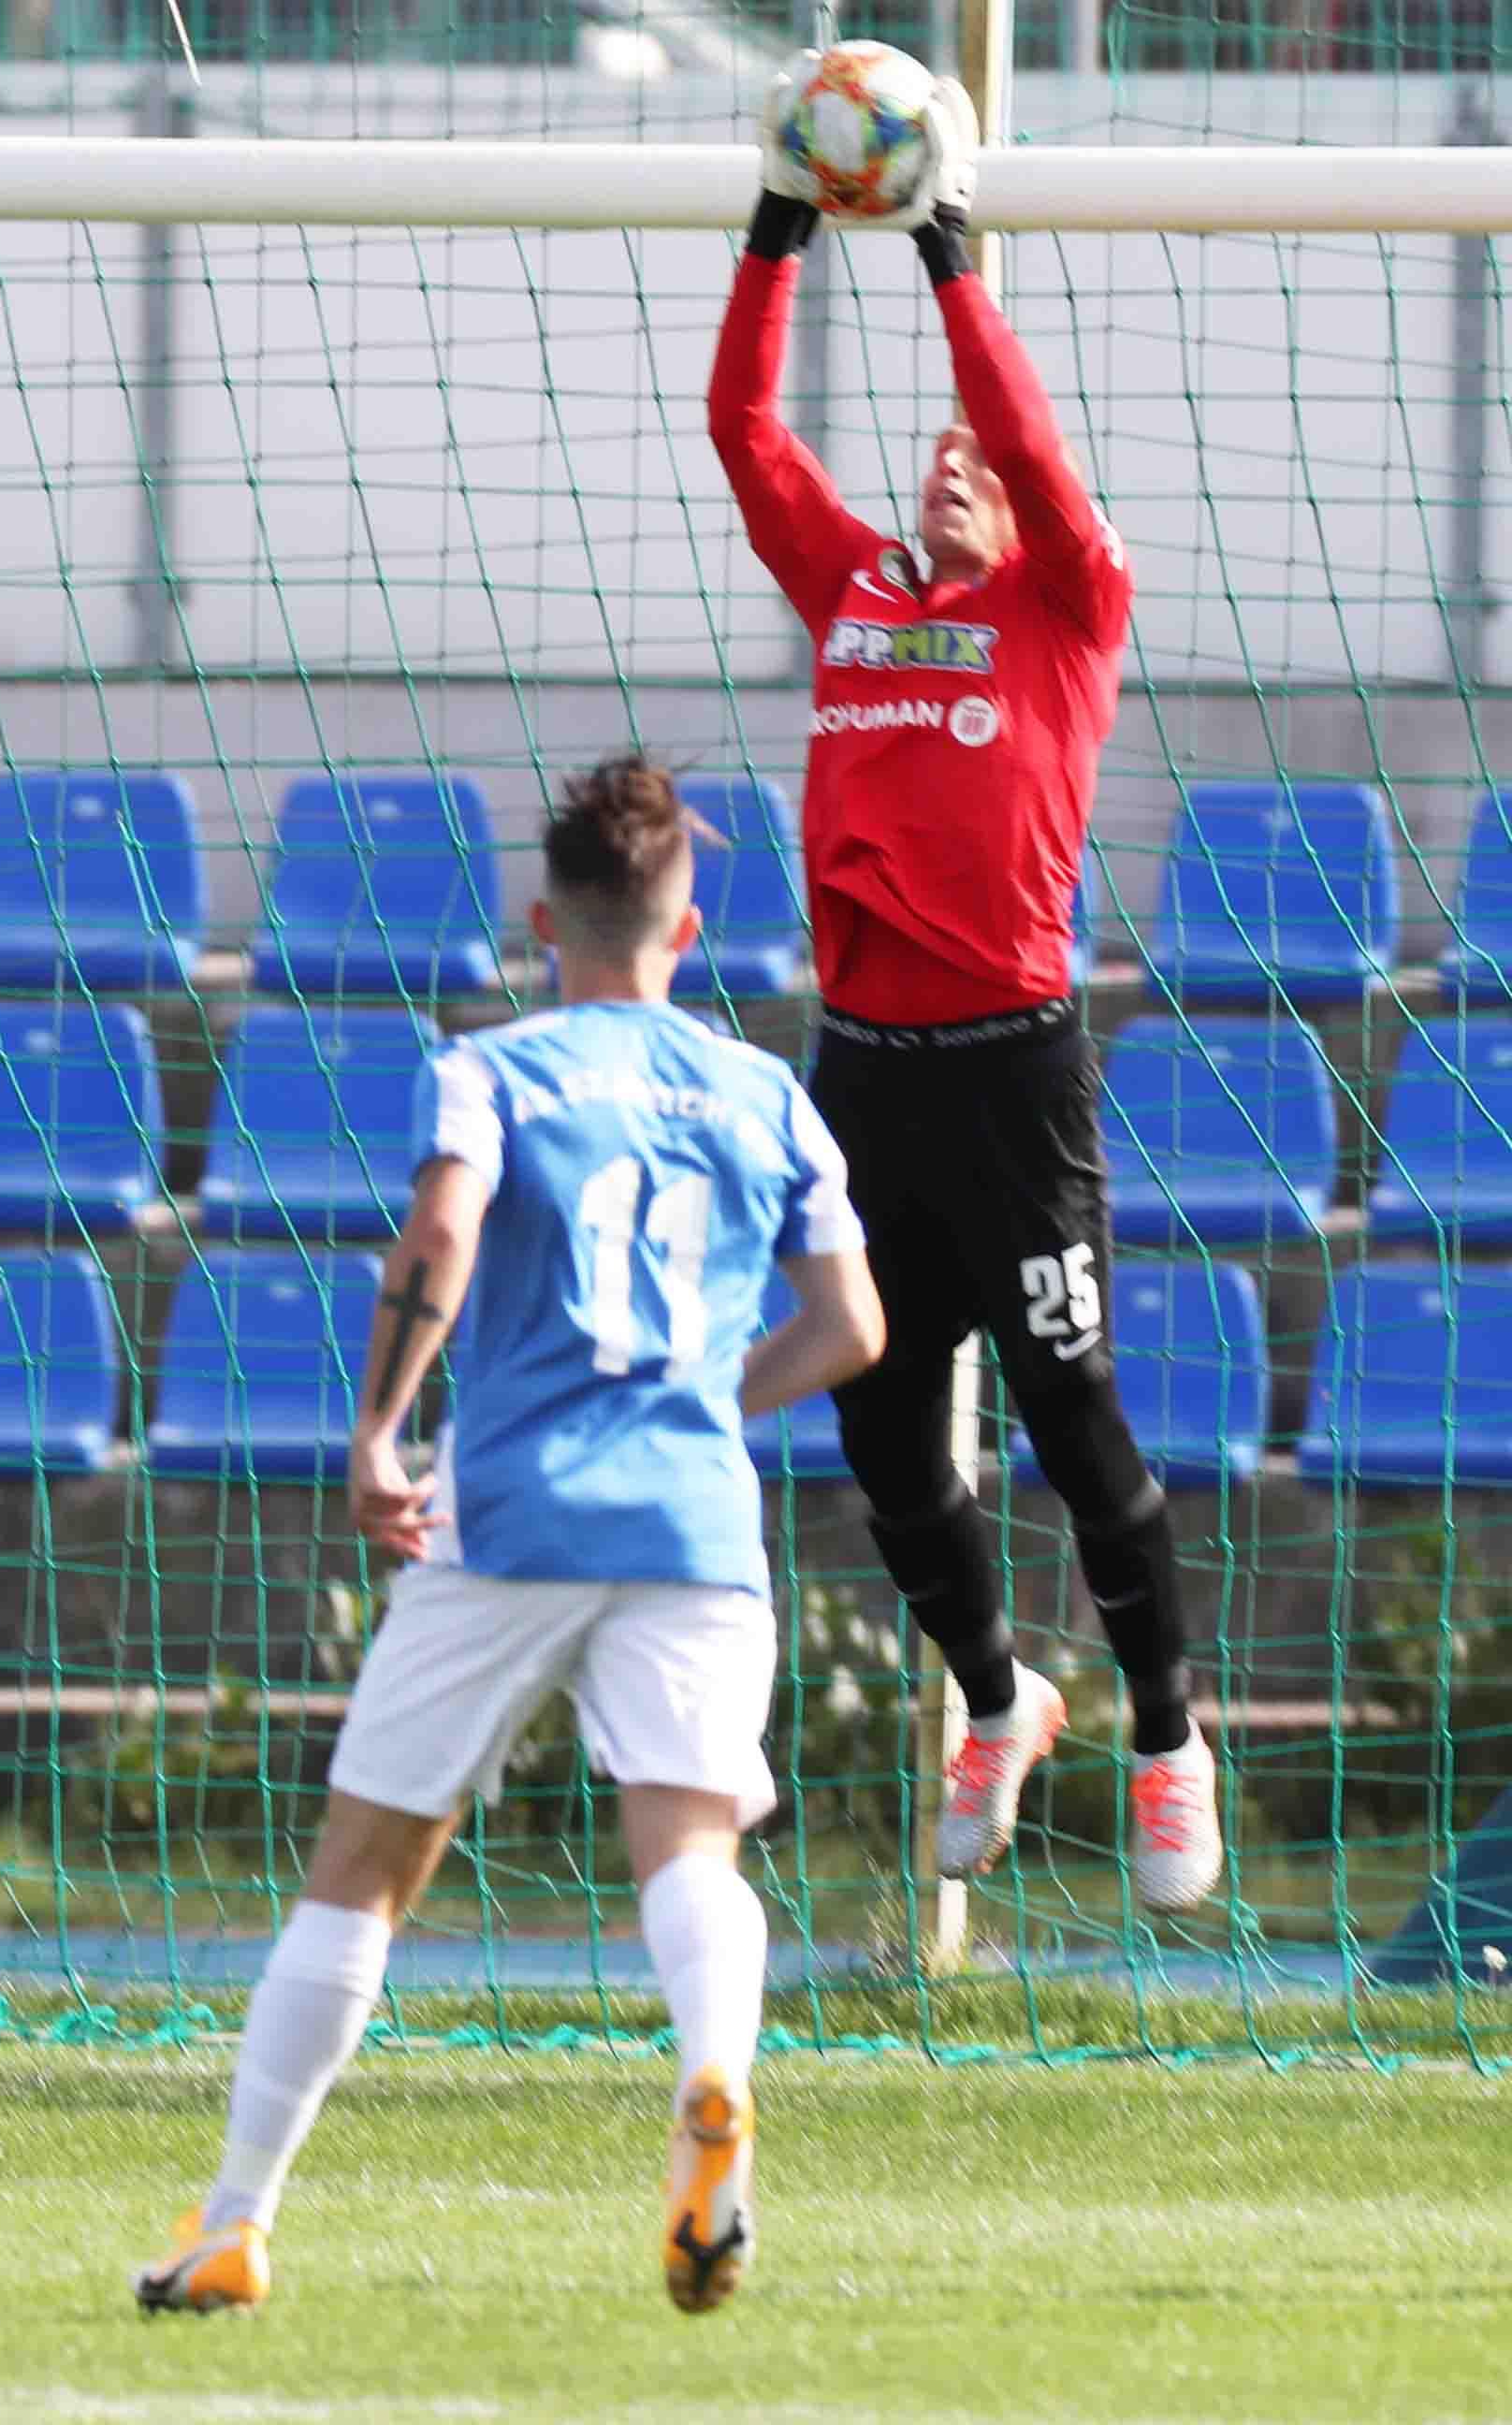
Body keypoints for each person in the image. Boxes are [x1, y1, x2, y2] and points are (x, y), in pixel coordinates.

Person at [133, 755, 885, 2321]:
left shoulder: (494, 1069)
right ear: (689, 933)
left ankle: (237, 2222)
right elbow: (854, 1327)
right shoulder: (770, 1093)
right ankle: (714, 2076)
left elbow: (446, 1227)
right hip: (695, 1519)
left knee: (364, 1872)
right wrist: (706, 1398)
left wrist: (380, 1428)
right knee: (690, 1847)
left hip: (512, 1512)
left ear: (545, 923)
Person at [705, 64, 1223, 1912]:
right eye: (933, 451)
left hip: (1015, 1075)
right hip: (865, 1074)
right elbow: (743, 428)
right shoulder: (855, 591)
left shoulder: (1067, 608)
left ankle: (1167, 1735)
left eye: (976, 460)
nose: (951, 459)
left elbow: (1019, 429)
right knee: (877, 1423)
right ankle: (999, 1703)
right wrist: (780, 226)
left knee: (1072, 1421)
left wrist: (946, 256)